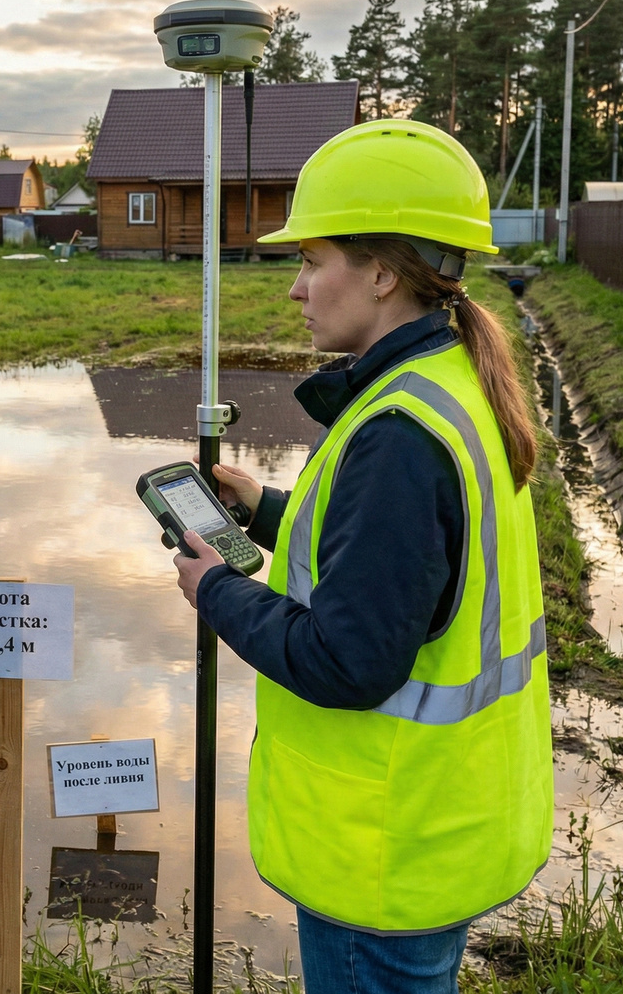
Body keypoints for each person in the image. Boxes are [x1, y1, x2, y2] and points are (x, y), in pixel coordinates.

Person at [170, 120, 553, 994]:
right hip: (443, 817)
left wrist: (215, 589)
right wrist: (265, 510)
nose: (297, 287)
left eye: (314, 261)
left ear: (382, 273)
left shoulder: (397, 434)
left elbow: (348, 660)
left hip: (381, 844)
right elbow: (405, 566)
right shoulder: (451, 382)